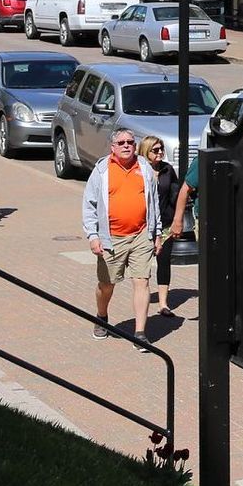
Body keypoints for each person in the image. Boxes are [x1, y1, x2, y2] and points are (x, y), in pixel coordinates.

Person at [81, 128, 162, 351]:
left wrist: (157, 233)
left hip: (141, 235)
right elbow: (89, 205)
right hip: (111, 238)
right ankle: (101, 316)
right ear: (113, 147)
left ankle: (140, 333)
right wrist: (93, 235)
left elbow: (153, 203)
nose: (126, 146)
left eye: (130, 142)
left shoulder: (144, 168)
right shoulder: (102, 170)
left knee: (142, 281)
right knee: (107, 285)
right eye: (121, 142)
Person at [141, 136, 180, 318]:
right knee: (142, 264)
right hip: (143, 226)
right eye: (155, 150)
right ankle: (142, 298)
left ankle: (163, 304)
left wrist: (176, 220)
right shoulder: (139, 170)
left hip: (165, 224)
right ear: (146, 151)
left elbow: (175, 194)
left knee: (164, 262)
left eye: (161, 149)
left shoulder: (167, 170)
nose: (159, 153)